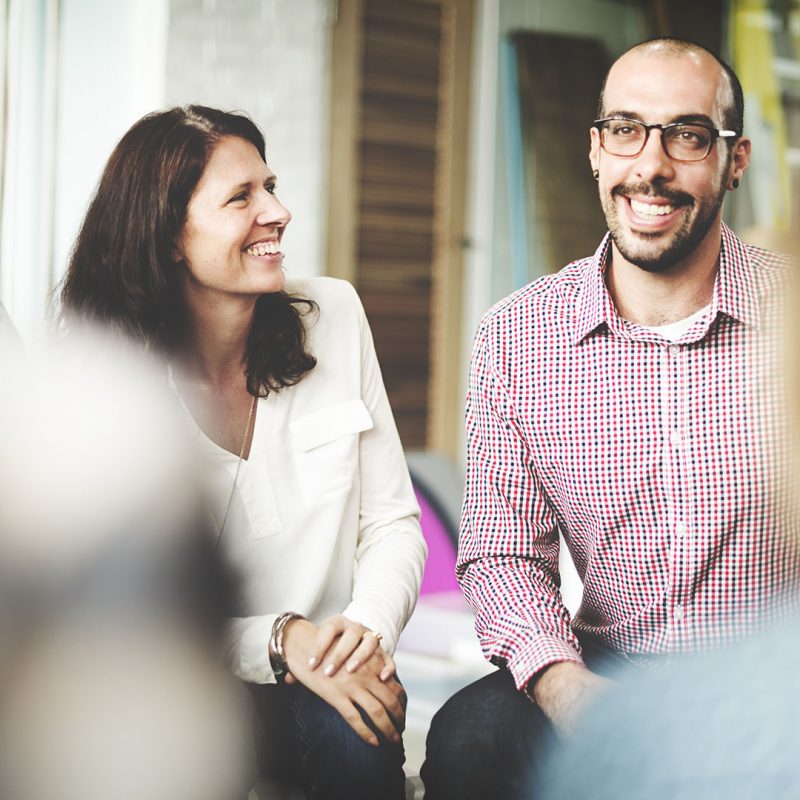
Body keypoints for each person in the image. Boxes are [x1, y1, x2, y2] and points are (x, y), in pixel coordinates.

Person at [421, 37, 800, 799]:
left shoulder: (791, 310)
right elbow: (500, 554)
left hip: (772, 666)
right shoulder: (517, 337)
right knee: (470, 738)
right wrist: (564, 687)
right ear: (596, 150)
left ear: (736, 160)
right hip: (606, 665)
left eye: (687, 136)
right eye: (625, 129)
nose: (650, 166)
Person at [59, 105, 426, 799]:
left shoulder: (335, 316)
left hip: (324, 673)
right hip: (174, 691)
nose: (279, 212)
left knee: (360, 725)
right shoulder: (108, 386)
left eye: (272, 186)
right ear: (168, 237)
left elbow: (392, 524)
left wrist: (361, 633)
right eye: (241, 197)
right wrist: (283, 641)